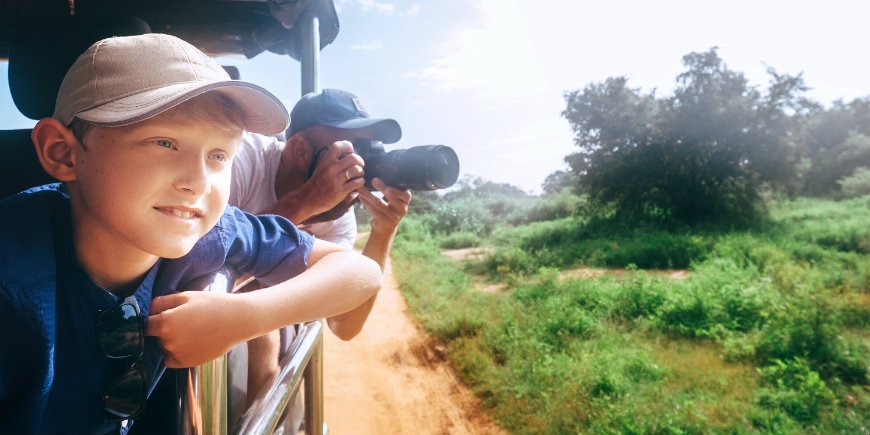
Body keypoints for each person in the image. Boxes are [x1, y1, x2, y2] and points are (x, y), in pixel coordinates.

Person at [0, 34, 382, 435]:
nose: (199, 182)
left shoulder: (211, 232)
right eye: (165, 142)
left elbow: (359, 272)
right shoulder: (13, 281)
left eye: (219, 155)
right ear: (63, 153)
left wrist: (244, 317)